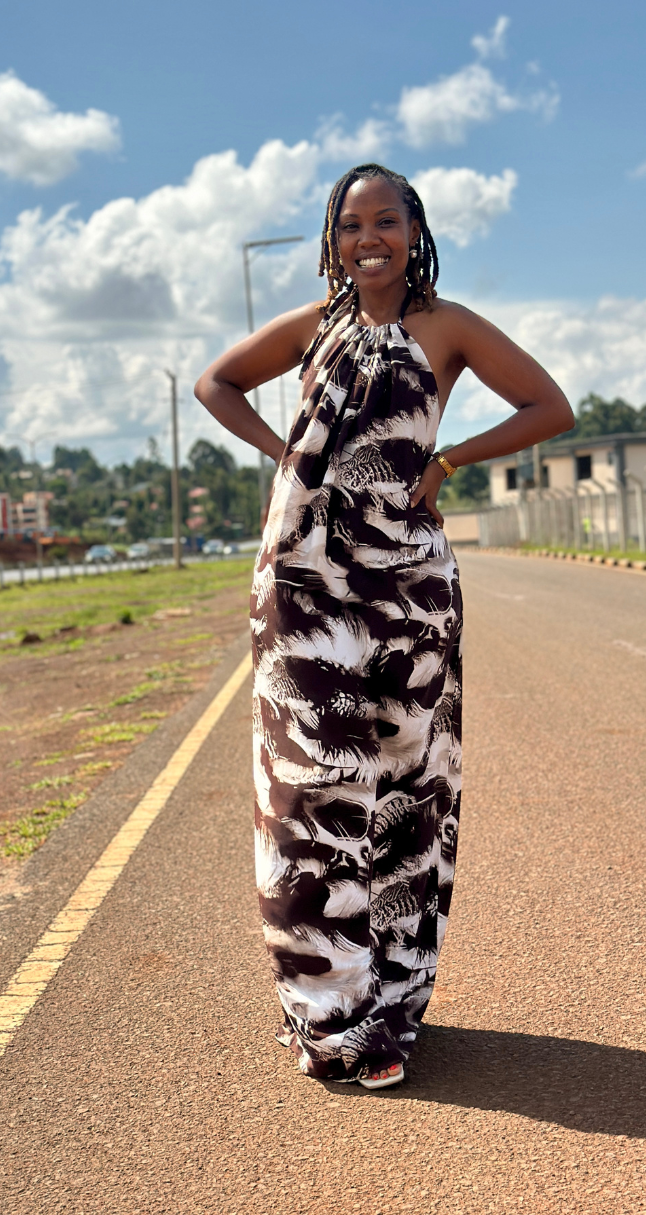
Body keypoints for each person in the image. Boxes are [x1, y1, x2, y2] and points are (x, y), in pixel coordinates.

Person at [194, 163, 573, 1090]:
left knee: (407, 784)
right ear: (333, 239)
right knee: (311, 792)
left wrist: (446, 461)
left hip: (407, 589)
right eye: (351, 224)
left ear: (414, 231)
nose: (369, 238)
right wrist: (290, 458)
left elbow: (550, 406)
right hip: (303, 579)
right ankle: (330, 1013)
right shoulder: (313, 328)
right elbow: (215, 384)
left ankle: (392, 999)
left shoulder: (444, 327)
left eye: (386, 222)